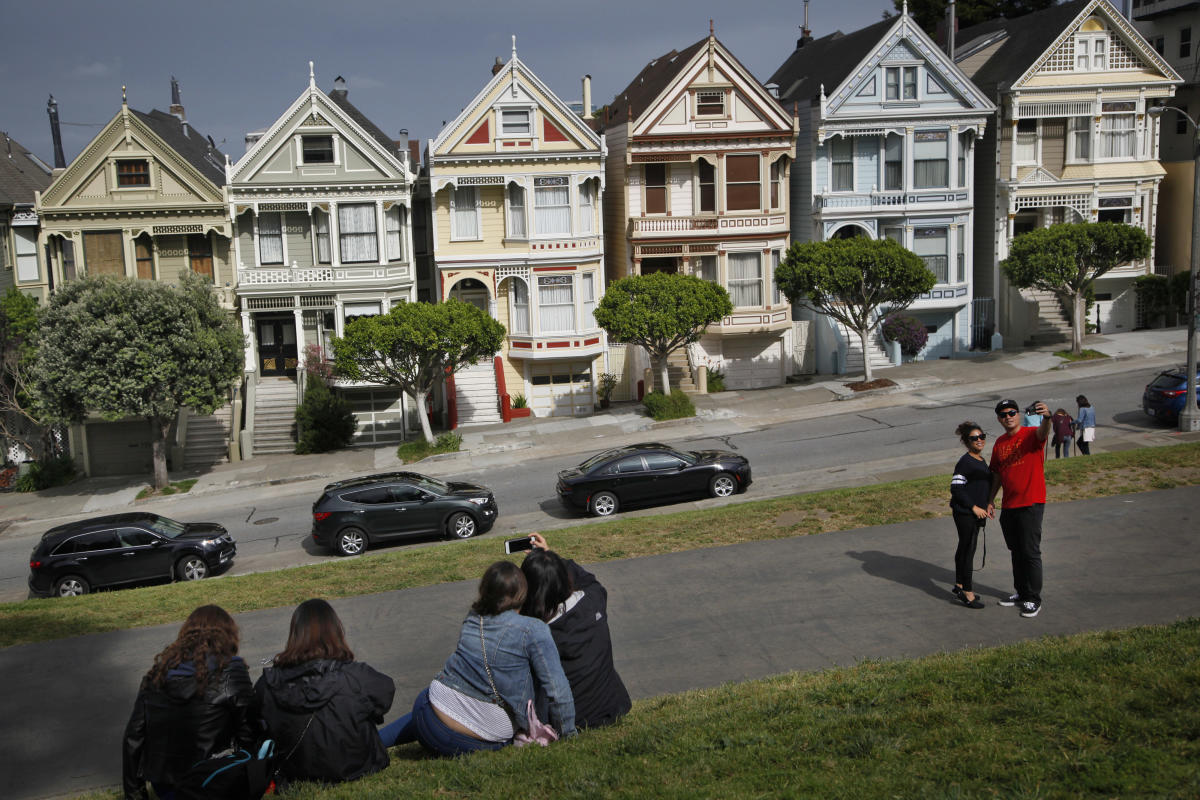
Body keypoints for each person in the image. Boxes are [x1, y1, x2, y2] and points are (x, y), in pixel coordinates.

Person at [379, 561, 575, 756]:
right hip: (461, 737)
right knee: (490, 730)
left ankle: (372, 742)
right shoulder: (533, 629)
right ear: (522, 593)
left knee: (440, 703)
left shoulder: (474, 616)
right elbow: (558, 690)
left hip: (426, 708)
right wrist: (569, 734)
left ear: (485, 589)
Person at [122, 605, 258, 800]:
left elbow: (133, 738)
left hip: (165, 784)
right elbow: (249, 730)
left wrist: (135, 794)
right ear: (228, 636)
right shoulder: (230, 670)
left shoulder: (158, 674)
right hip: (212, 779)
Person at [256, 598, 395, 784]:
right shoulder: (355, 676)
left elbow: (256, 723)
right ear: (336, 632)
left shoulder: (269, 683)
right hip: (358, 766)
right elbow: (384, 696)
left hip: (295, 772)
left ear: (295, 635)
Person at [521, 533, 631, 727]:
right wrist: (551, 557)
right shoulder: (593, 599)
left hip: (575, 720)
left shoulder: (536, 633)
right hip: (614, 706)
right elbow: (589, 580)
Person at [987, 399, 1052, 619]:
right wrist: (990, 500)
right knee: (1016, 551)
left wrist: (1048, 417)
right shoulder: (999, 443)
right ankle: (1022, 592)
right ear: (999, 418)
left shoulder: (1031, 434)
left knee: (1030, 552)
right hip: (1009, 505)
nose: (1008, 417)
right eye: (1004, 414)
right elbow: (996, 473)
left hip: (1031, 502)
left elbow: (1043, 433)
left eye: (1012, 412)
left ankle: (1034, 599)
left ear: (1018, 414)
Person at [949, 423, 992, 609]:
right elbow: (956, 488)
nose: (980, 440)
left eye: (982, 436)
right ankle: (967, 592)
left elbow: (980, 487)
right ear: (967, 442)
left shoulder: (980, 460)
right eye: (975, 438)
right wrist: (974, 507)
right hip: (965, 513)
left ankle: (959, 585)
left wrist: (988, 504)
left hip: (977, 511)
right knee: (968, 550)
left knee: (965, 547)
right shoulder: (965, 462)